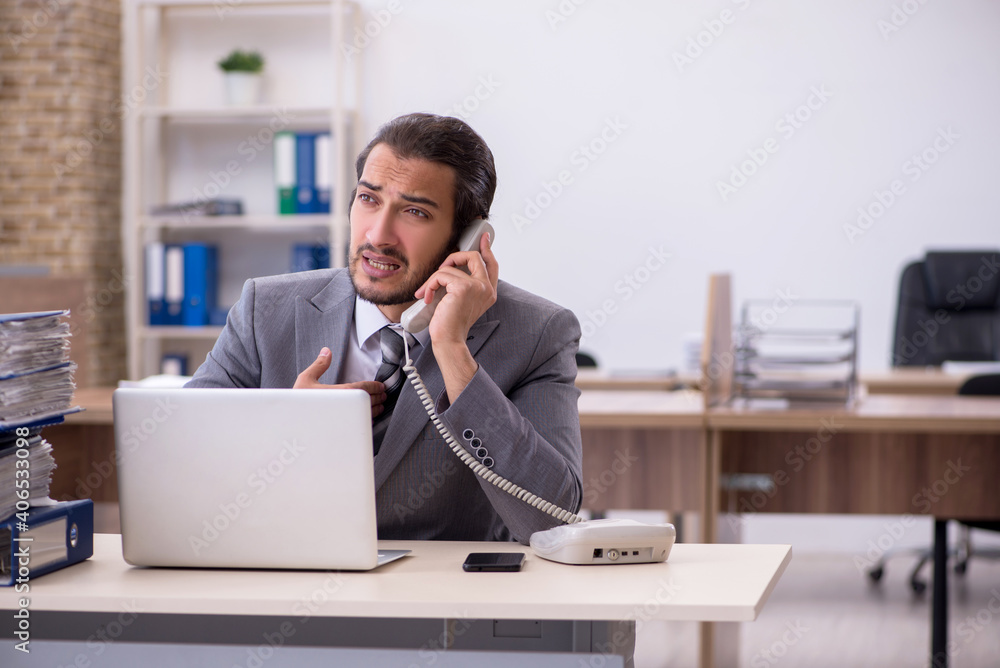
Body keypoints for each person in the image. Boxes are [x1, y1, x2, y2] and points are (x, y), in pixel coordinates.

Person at [186, 113, 583, 544]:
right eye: (368, 199)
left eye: (414, 211)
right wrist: (284, 424)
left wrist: (452, 350)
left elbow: (552, 518)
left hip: (438, 601)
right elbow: (182, 460)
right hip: (287, 582)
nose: (378, 235)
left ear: (467, 238)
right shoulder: (266, 310)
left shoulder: (538, 333)